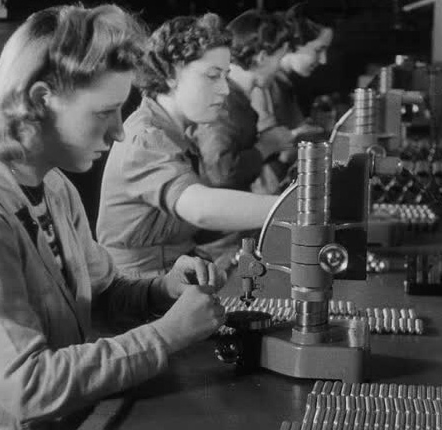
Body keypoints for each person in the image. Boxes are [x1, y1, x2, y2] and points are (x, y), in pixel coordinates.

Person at [0, 5, 226, 429]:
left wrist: (162, 290)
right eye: (104, 112)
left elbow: (101, 295)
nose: (119, 132)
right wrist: (168, 334)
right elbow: (29, 386)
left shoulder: (53, 186)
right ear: (42, 99)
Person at [96, 14, 279, 277]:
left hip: (173, 274)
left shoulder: (180, 134)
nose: (225, 90)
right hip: (137, 288)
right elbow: (201, 210)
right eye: (212, 76)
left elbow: (194, 226)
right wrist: (293, 207)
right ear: (171, 74)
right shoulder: (147, 138)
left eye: (226, 76)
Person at [192, 9, 314, 193]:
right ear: (262, 57)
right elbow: (220, 174)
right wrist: (265, 147)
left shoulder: (238, 97)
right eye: (279, 58)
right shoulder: (223, 103)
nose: (279, 68)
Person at [249, 2, 334, 186]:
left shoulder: (283, 83)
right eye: (318, 50)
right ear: (293, 44)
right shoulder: (263, 85)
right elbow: (275, 150)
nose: (323, 60)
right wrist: (299, 136)